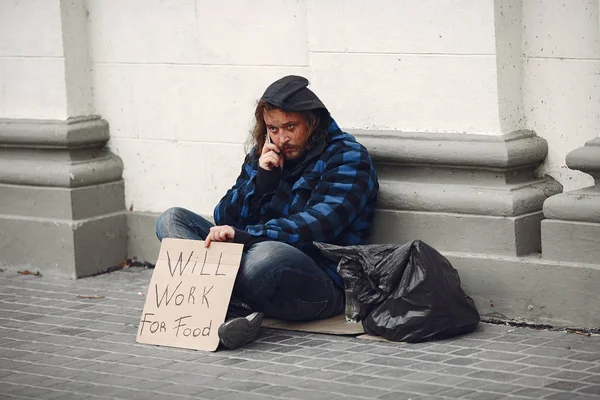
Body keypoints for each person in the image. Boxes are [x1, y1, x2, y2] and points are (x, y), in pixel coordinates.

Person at [156, 75, 379, 349]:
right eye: (273, 128)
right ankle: (235, 310)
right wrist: (260, 183)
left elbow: (320, 225)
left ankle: (223, 305)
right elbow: (224, 218)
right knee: (172, 219)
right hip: (252, 264)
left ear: (313, 121)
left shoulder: (348, 157)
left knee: (266, 256)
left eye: (290, 126)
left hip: (320, 280)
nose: (282, 138)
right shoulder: (266, 152)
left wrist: (249, 236)